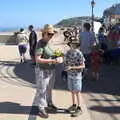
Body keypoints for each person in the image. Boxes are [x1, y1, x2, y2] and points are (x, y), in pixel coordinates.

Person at [35, 24, 61, 118]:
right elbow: (38, 59)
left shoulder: (49, 42)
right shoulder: (40, 43)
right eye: (49, 34)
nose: (51, 36)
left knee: (49, 88)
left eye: (52, 34)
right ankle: (41, 108)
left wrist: (57, 56)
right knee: (42, 89)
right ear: (44, 33)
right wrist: (52, 60)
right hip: (42, 70)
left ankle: (49, 103)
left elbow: (51, 54)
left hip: (51, 70)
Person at [64, 40, 85, 117]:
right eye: (71, 44)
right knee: (72, 91)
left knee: (77, 92)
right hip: (70, 75)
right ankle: (74, 105)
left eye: (74, 44)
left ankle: (79, 108)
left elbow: (83, 66)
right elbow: (65, 62)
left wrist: (72, 67)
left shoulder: (79, 53)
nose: (72, 45)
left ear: (77, 45)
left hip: (77, 76)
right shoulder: (68, 52)